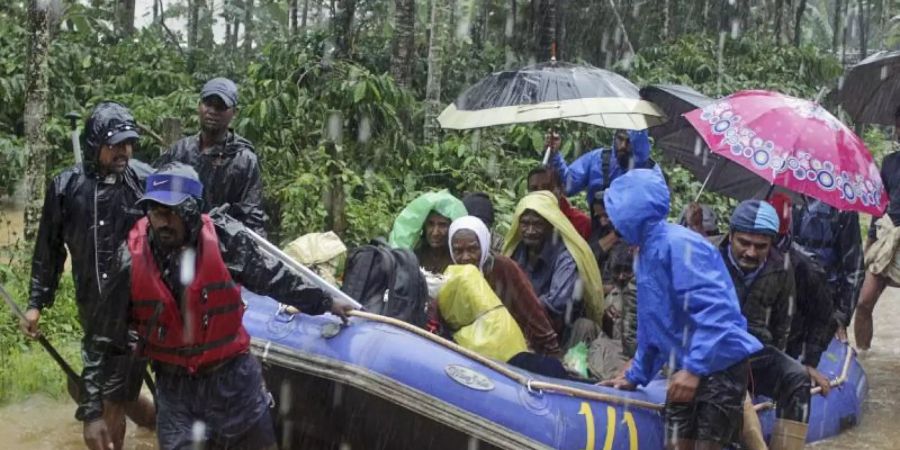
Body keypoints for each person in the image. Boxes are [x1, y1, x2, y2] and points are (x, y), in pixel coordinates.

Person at [91, 163, 355, 450]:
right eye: (156, 212)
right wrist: (93, 412)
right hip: (175, 387)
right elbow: (105, 338)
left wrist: (325, 301)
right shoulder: (130, 257)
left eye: (171, 212)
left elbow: (274, 277)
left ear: (192, 210)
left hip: (233, 380)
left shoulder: (224, 238)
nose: (163, 222)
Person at [20, 102, 156, 450]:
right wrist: (37, 304)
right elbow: (48, 253)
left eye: (129, 144)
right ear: (96, 144)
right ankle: (159, 423)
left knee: (108, 403)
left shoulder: (145, 181)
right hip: (92, 310)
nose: (124, 151)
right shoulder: (65, 188)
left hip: (137, 315)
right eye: (116, 145)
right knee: (95, 388)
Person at [599, 169, 762, 450]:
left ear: (630, 212)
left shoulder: (680, 245)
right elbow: (653, 324)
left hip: (718, 363)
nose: (610, 219)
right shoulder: (646, 251)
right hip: (684, 363)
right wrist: (635, 375)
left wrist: (695, 369)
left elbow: (716, 313)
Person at [720, 200, 812, 450]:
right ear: (730, 235)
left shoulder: (782, 267)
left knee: (797, 377)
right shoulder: (709, 257)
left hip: (757, 352)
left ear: (771, 244)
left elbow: (784, 323)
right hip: (715, 354)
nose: (750, 252)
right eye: (744, 243)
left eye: (760, 246)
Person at [155, 77, 267, 235]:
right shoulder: (180, 151)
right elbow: (156, 198)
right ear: (199, 106)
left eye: (220, 107)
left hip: (224, 245)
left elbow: (252, 217)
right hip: (180, 241)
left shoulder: (243, 160)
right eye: (208, 104)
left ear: (234, 112)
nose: (213, 111)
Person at [448, 215, 562, 356]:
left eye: (472, 249)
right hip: (471, 352)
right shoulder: (452, 276)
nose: (465, 257)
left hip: (513, 349)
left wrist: (552, 353)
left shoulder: (502, 268)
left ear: (483, 246)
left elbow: (532, 312)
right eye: (458, 251)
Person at [503, 191, 605, 339]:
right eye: (525, 223)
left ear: (550, 225)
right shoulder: (517, 251)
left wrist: (519, 309)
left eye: (537, 224)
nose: (530, 231)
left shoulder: (565, 255)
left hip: (559, 329)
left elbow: (556, 303)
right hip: (521, 323)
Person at [768, 194, 834, 392]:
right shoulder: (727, 258)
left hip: (789, 345)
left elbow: (822, 317)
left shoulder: (806, 269)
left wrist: (809, 363)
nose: (751, 252)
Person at [856, 106, 900, 349]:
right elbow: (878, 207)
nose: (899, 131)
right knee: (863, 302)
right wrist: (870, 243)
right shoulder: (890, 163)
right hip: (888, 236)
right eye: (898, 125)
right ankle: (864, 356)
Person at [789, 198, 863, 342]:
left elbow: (854, 269)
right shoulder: (786, 199)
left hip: (827, 299)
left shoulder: (843, 209)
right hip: (790, 294)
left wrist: (841, 318)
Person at [549, 129, 661, 211]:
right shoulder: (599, 159)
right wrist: (554, 154)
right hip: (598, 230)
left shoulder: (651, 172)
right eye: (620, 139)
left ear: (639, 144)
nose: (622, 146)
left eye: (629, 142)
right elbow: (568, 185)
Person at [585, 243, 637, 380]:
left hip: (633, 354)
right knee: (583, 325)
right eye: (617, 271)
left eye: (627, 271)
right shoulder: (613, 294)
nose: (621, 277)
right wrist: (607, 321)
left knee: (601, 346)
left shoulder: (640, 293)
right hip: (613, 347)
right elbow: (609, 333)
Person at [388, 190, 467, 274]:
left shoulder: (459, 258)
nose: (435, 233)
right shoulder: (415, 256)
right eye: (430, 224)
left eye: (442, 225)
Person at [526, 166, 591, 240]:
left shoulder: (581, 223)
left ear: (561, 190)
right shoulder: (524, 221)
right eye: (534, 189)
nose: (541, 193)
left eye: (547, 188)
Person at [586, 191, 620, 283]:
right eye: (599, 216)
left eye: (605, 215)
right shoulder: (599, 228)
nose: (602, 221)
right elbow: (590, 254)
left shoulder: (629, 235)